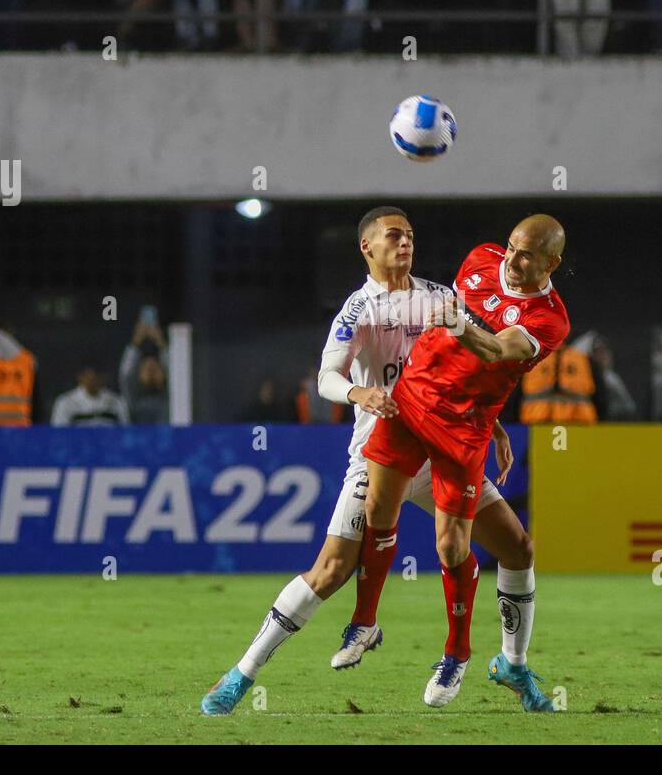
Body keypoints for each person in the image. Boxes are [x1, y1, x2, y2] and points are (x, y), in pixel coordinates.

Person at [202, 208, 552, 716]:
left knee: (517, 548)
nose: (405, 243)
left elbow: (473, 366)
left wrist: (491, 422)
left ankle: (509, 663)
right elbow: (325, 376)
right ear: (366, 247)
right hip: (379, 453)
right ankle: (240, 674)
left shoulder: (440, 296)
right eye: (393, 236)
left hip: (442, 450)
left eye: (410, 235)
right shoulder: (358, 309)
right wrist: (358, 391)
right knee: (329, 571)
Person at [357, 215, 570, 708]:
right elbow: (444, 349)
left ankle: (502, 663)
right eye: (512, 248)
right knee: (367, 523)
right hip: (409, 407)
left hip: (461, 432)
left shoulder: (551, 318)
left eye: (528, 256)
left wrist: (459, 325)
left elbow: (495, 351)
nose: (514, 261)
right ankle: (361, 625)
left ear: (552, 263)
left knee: (495, 549)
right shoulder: (479, 258)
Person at [120, 316, 169, 424]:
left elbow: (177, 372)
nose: (151, 373)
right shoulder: (132, 400)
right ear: (138, 375)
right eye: (147, 369)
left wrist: (160, 340)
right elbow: (125, 374)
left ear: (164, 375)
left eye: (155, 369)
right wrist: (136, 341)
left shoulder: (169, 399)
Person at [51, 363, 130, 426]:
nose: (93, 381)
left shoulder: (117, 401)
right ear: (80, 377)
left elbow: (126, 434)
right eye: (89, 378)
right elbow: (59, 436)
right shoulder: (65, 402)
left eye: (96, 377)